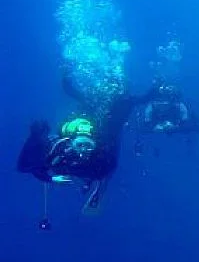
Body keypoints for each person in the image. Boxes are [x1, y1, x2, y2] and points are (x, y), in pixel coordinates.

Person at [16, 76, 161, 214]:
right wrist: (50, 177)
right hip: (93, 138)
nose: (83, 151)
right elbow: (25, 166)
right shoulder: (62, 148)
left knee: (107, 161)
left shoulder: (123, 101)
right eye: (81, 146)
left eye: (87, 147)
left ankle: (96, 185)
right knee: (103, 160)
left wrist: (155, 88)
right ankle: (92, 181)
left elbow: (144, 99)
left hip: (105, 137)